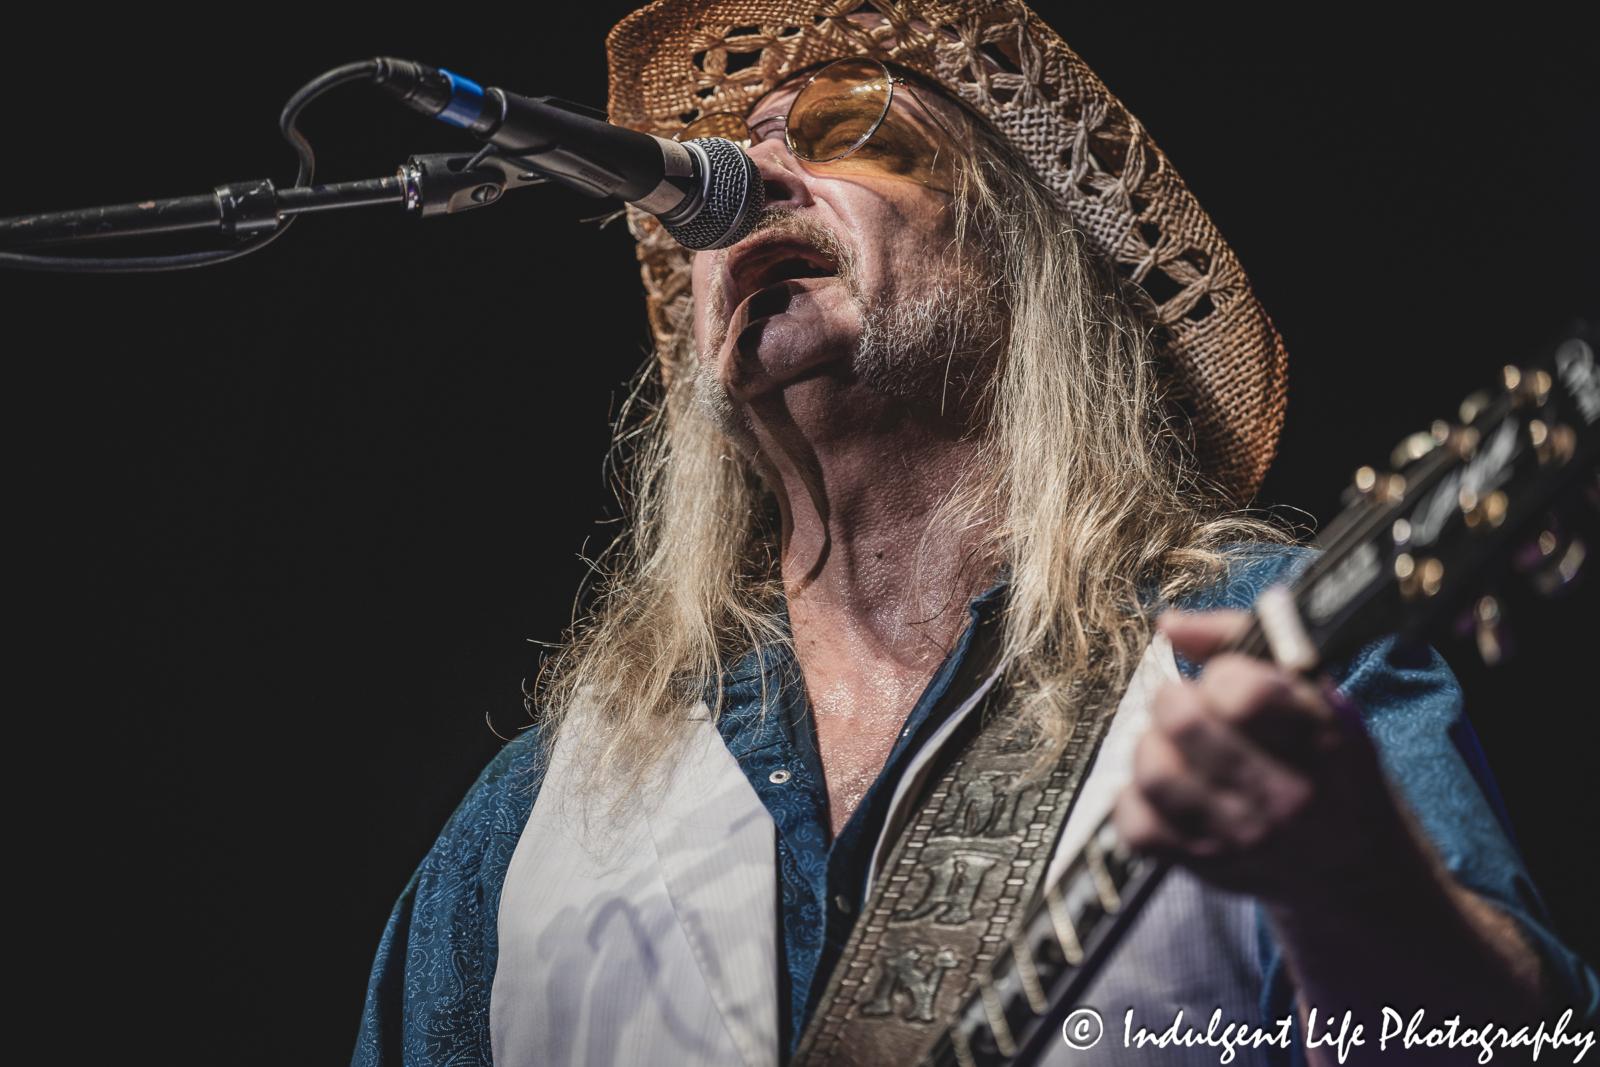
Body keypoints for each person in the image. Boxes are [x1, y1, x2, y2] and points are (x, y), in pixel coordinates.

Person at [352, 3, 1597, 1065]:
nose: (748, 186)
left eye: (847, 130)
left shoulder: (1254, 655)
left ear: (1022, 254)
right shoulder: (532, 821)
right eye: (719, 166)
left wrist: (1352, 879)